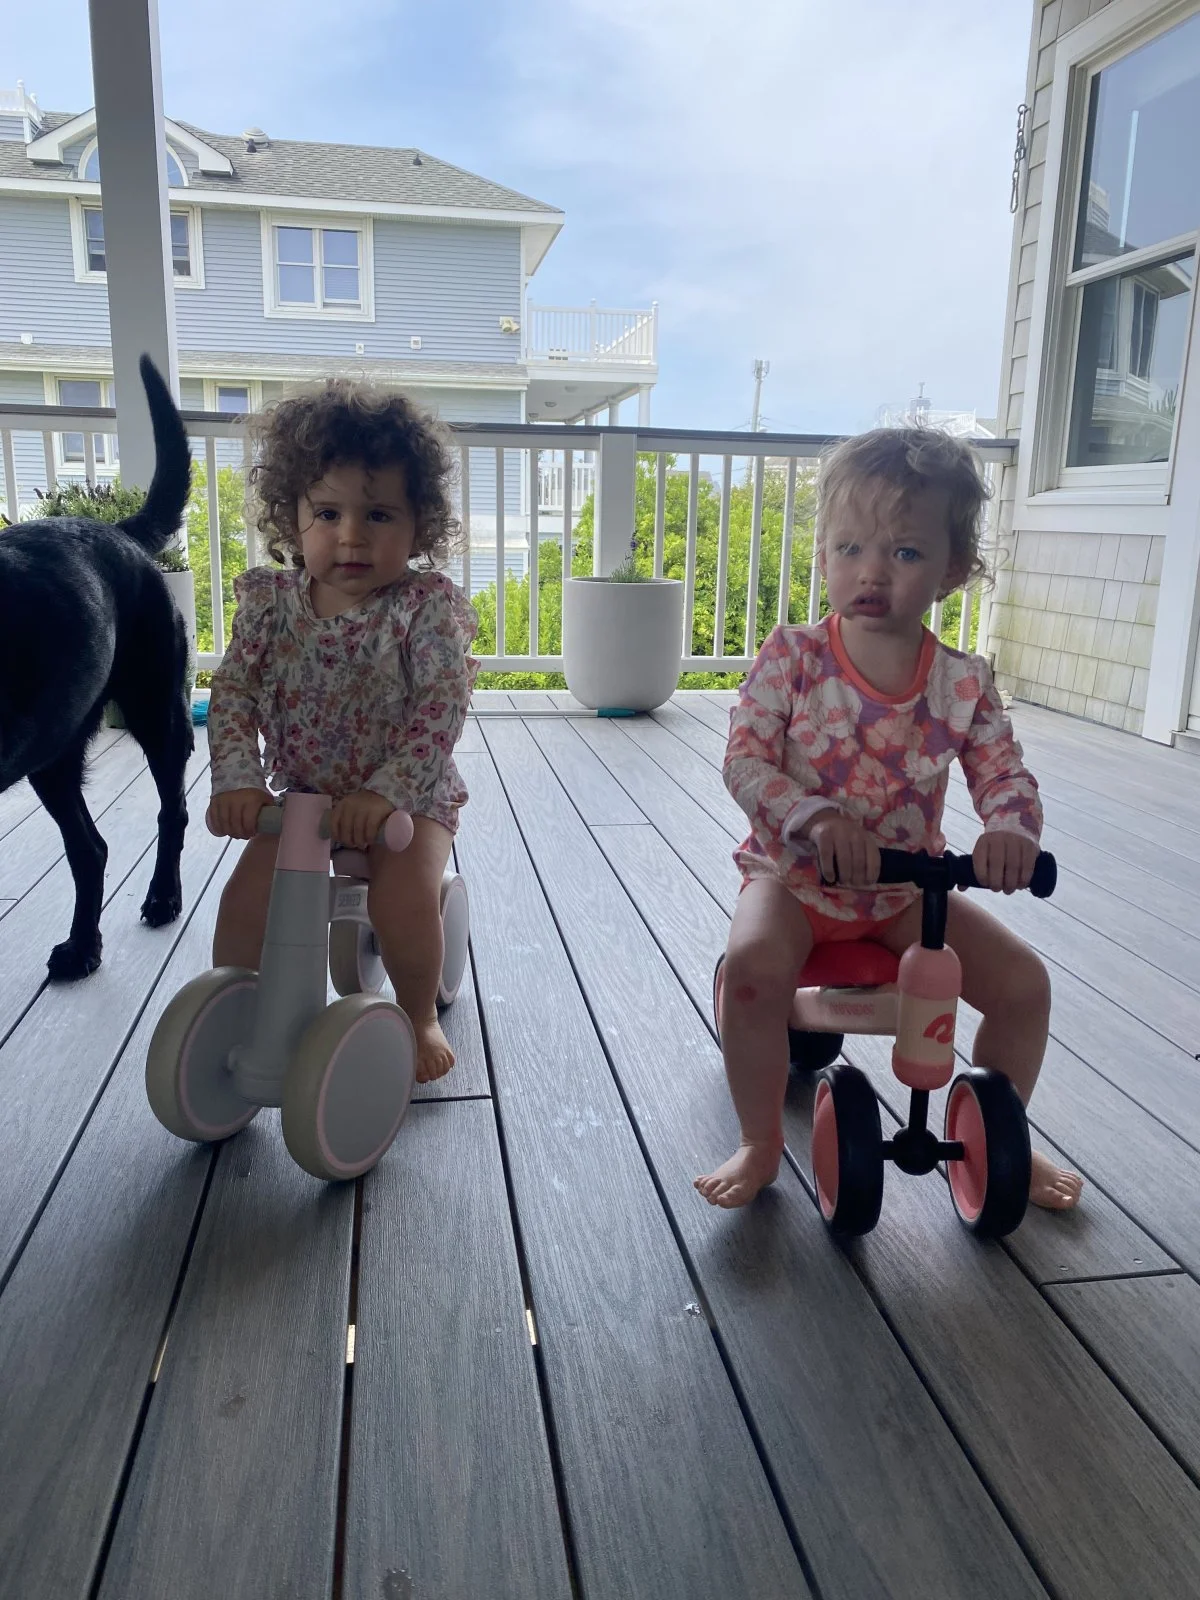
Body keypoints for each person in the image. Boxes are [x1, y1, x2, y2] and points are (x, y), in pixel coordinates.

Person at [695, 428, 1084, 1212]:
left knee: (1022, 985)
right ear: (823, 558)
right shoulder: (794, 657)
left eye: (904, 553)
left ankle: (995, 1130)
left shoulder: (961, 683)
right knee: (752, 973)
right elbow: (744, 760)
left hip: (906, 892)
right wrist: (813, 817)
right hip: (794, 877)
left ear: (952, 569)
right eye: (850, 547)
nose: (871, 571)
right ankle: (760, 1140)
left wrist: (1012, 830)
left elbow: (1001, 770)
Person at [206, 380, 478, 1085]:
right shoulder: (271, 607)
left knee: (402, 892)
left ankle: (416, 1012)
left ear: (419, 523)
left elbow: (441, 705)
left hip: (407, 800)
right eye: (327, 512)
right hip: (303, 800)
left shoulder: (422, 611)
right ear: (291, 516)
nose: (351, 535)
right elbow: (233, 692)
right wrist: (238, 779)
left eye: (379, 513)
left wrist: (390, 791)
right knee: (248, 896)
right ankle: (234, 1004)